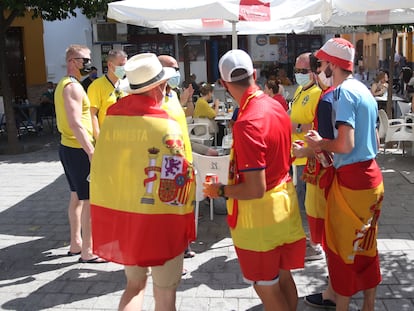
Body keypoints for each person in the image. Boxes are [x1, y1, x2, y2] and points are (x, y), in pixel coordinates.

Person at [90, 53, 195, 310]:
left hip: (127, 216)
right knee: (165, 293)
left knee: (134, 286)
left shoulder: (113, 118)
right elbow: (175, 188)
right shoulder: (164, 126)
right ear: (159, 86)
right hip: (160, 221)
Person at [203, 49, 306, 311]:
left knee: (265, 285)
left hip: (260, 219)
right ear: (255, 75)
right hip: (285, 203)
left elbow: (254, 188)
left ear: (224, 85)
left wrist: (220, 190)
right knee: (283, 276)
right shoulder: (276, 105)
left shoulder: (247, 121)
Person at [305, 37, 384, 311]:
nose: (320, 68)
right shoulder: (363, 90)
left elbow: (345, 144)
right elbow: (374, 137)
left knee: (342, 251)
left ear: (333, 64)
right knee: (366, 245)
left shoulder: (343, 94)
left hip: (352, 181)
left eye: (322, 62)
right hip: (371, 177)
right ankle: (369, 306)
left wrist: (319, 144)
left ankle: (342, 305)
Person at [54, 44, 104, 263]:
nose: (88, 64)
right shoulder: (72, 88)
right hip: (78, 149)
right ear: (72, 61)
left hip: (69, 147)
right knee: (89, 200)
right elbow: (76, 123)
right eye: (84, 60)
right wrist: (91, 151)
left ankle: (76, 243)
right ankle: (88, 251)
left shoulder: (66, 85)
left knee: (77, 197)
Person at [158, 54, 196, 258]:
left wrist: (186, 99)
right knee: (170, 207)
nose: (177, 72)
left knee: (183, 204)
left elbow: (185, 114)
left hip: (184, 158)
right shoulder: (155, 96)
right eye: (172, 68)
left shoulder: (172, 94)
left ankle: (184, 245)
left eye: (177, 67)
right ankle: (173, 252)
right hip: (168, 162)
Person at [290, 53, 322, 213]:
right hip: (294, 152)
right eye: (296, 70)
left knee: (303, 198)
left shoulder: (317, 93)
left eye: (303, 71)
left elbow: (315, 124)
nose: (299, 75)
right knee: (298, 193)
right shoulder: (300, 89)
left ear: (315, 70)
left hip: (306, 154)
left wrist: (295, 126)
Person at [88, 50, 128, 140]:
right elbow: (92, 114)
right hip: (106, 137)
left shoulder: (126, 84)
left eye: (125, 65)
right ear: (110, 65)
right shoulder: (97, 86)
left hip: (125, 136)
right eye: (121, 65)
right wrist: (98, 138)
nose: (124, 68)